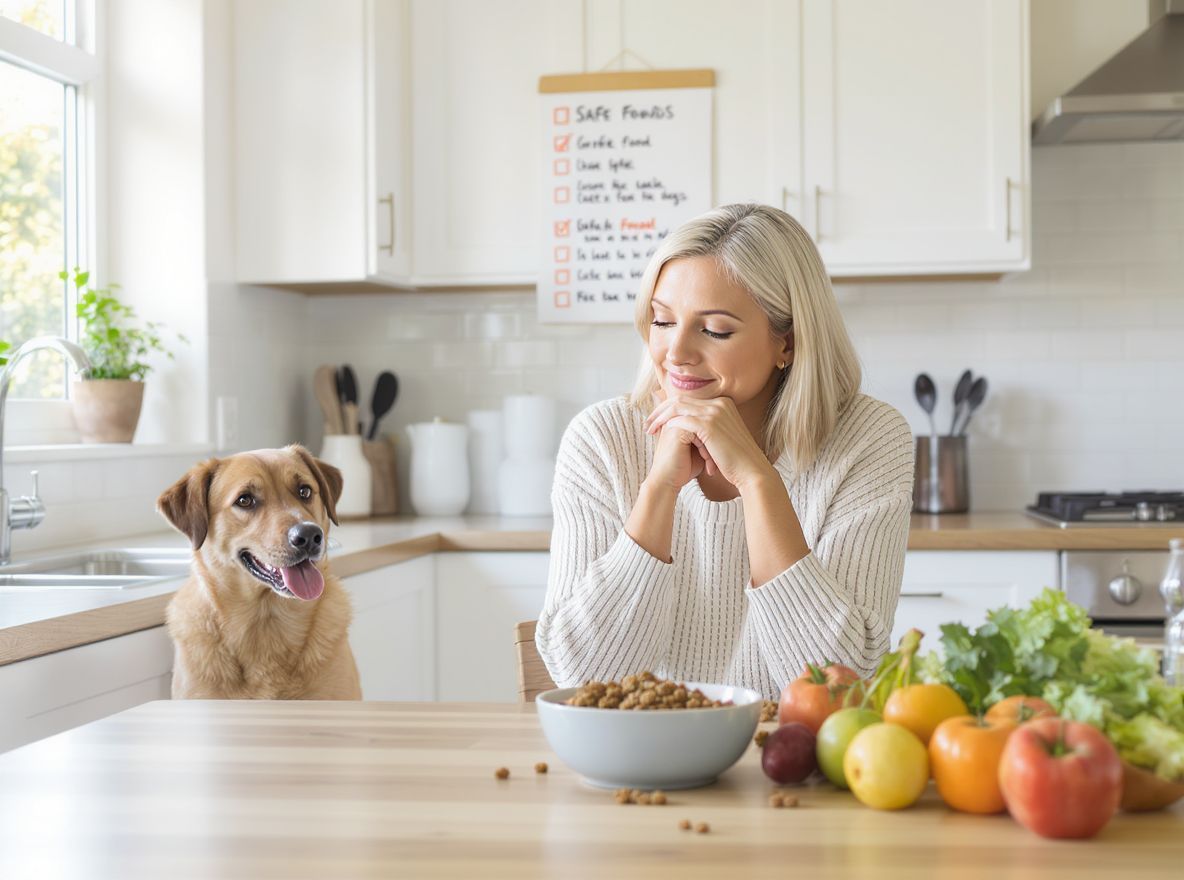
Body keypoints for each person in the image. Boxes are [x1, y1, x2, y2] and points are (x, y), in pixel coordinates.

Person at [535, 203, 914, 699]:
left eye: (714, 330)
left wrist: (759, 482)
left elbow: (840, 685)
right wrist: (660, 489)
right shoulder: (603, 438)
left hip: (798, 763)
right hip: (646, 761)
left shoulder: (868, 438)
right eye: (663, 321)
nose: (676, 353)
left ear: (789, 343)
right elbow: (582, 676)